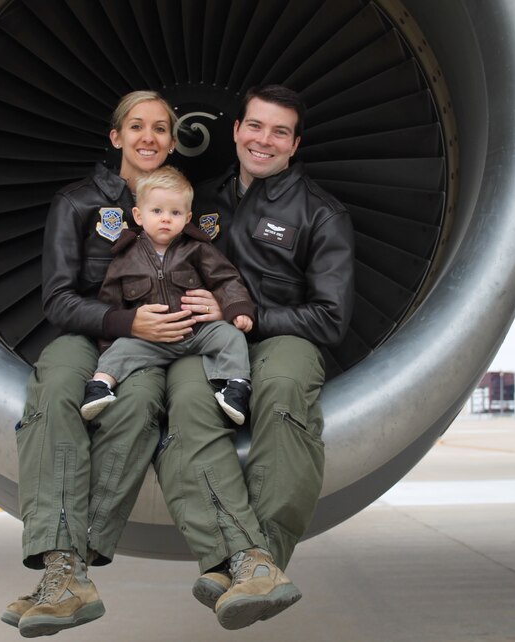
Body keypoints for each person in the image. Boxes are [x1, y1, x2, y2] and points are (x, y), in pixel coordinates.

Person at [155, 85, 355, 630]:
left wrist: (245, 316)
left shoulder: (321, 214)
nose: (264, 140)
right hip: (210, 344)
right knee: (185, 406)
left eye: (279, 132)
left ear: (295, 144)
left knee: (284, 394)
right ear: (237, 129)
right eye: (255, 126)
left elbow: (331, 319)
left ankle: (257, 558)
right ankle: (245, 562)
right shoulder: (204, 202)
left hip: (284, 338)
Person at [2, 91, 194, 638]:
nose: (149, 138)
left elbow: (213, 271)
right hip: (89, 334)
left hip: (153, 348)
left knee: (136, 406)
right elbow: (58, 299)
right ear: (117, 138)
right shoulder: (78, 203)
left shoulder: (186, 204)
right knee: (56, 388)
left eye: (160, 128)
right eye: (137, 127)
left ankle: (68, 571)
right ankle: (65, 570)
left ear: (173, 141)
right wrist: (127, 323)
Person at [80, 166, 256, 426]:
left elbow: (225, 278)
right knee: (121, 349)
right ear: (139, 216)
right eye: (157, 211)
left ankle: (236, 387)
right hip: (152, 338)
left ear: (187, 218)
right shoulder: (125, 257)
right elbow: (111, 301)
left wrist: (238, 309)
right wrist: (110, 342)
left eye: (175, 212)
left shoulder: (197, 249)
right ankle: (100, 386)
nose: (165, 219)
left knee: (231, 337)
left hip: (198, 331)